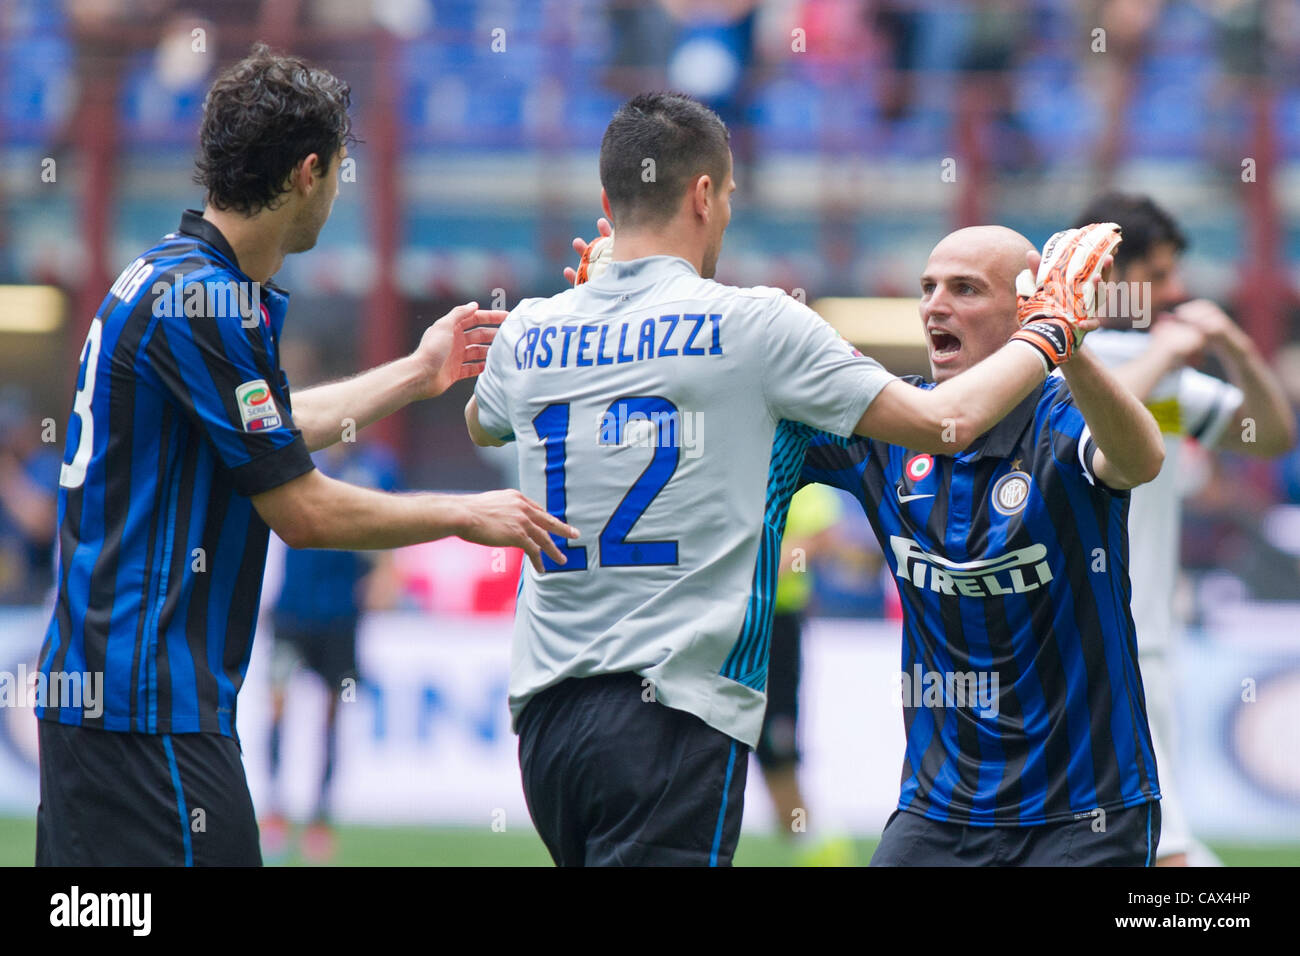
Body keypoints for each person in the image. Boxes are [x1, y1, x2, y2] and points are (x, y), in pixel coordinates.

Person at [466, 92, 1105, 867]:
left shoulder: (535, 326)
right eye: (729, 196)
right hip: (675, 710)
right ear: (704, 194)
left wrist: (594, 313)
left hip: (547, 722)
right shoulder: (756, 324)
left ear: (608, 202)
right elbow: (948, 424)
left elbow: (482, 421)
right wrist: (1052, 326)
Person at [35, 45, 575, 867]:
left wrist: (417, 374)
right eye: (339, 172)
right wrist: (467, 514)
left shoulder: (166, 276)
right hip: (149, 713)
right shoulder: (205, 299)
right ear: (309, 173)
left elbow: (272, 430)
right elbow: (305, 511)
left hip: (102, 705)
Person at [801, 223, 1167, 865]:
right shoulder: (888, 427)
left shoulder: (1060, 417)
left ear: (1024, 309)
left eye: (965, 289)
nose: (935, 305)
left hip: (1086, 812)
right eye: (928, 288)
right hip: (938, 809)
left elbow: (1138, 459)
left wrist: (1068, 342)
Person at [1071, 192, 1297, 866]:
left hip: (1146, 647)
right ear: (1112, 275)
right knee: (1163, 850)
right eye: (1160, 274)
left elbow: (1269, 436)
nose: (1175, 292)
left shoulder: (1164, 380)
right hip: (1078, 647)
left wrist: (1233, 345)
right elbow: (1088, 436)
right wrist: (1168, 352)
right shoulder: (1054, 361)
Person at [261, 438, 402, 864]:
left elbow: (391, 529)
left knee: (332, 716)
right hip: (291, 610)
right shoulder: (298, 458)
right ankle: (274, 809)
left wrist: (386, 573)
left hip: (341, 616)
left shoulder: (378, 469)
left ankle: (321, 818)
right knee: (278, 706)